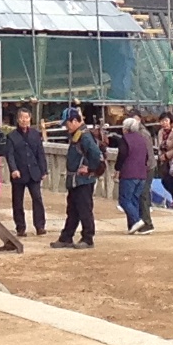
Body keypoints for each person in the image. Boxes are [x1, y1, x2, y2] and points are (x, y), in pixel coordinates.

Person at [1, 101, 48, 240]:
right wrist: (13, 169)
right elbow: (9, 155)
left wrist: (43, 170)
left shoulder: (35, 134)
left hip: (33, 172)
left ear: (30, 119)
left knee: (37, 199)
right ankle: (20, 227)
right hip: (19, 174)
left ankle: (40, 226)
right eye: (22, 118)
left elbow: (40, 153)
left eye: (27, 118)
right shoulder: (12, 136)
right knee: (18, 201)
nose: (24, 120)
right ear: (18, 119)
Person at [61, 106, 106, 247]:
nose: (66, 127)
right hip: (75, 181)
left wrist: (90, 169)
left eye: (67, 123)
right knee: (72, 210)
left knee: (84, 209)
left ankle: (88, 238)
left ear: (74, 121)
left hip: (83, 181)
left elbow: (97, 156)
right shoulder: (78, 135)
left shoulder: (85, 136)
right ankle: (66, 237)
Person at [115, 110, 155, 233]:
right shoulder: (142, 138)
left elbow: (122, 155)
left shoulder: (125, 139)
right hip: (142, 173)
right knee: (134, 199)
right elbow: (148, 155)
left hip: (129, 173)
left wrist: (117, 169)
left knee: (124, 200)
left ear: (126, 128)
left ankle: (138, 221)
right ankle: (134, 225)